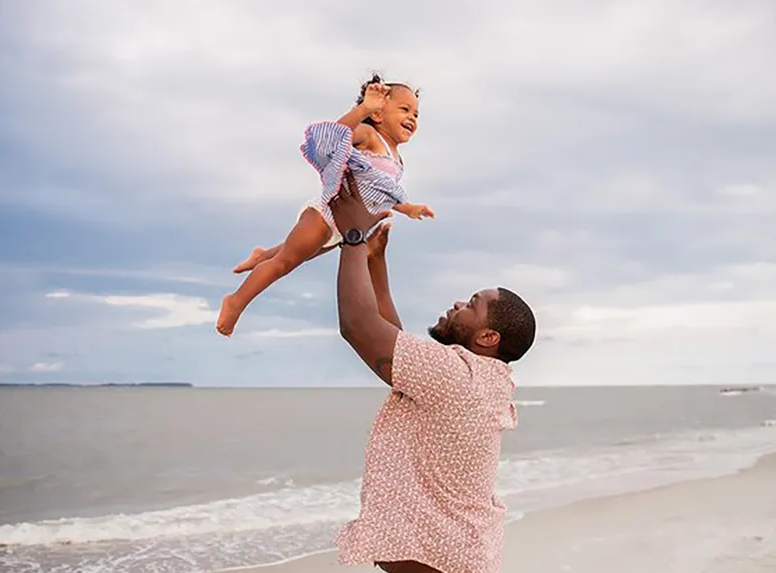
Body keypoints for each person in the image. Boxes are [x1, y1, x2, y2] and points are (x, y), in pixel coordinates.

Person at [327, 168, 537, 573]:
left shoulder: (460, 377)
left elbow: (358, 326)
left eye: (472, 304)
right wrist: (375, 264)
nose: (459, 302)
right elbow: (396, 345)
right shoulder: (475, 377)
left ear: (488, 337)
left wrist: (352, 238)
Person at [215, 74, 434, 338]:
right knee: (286, 262)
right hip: (326, 214)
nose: (413, 118)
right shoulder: (369, 135)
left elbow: (383, 191)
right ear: (378, 114)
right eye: (405, 109)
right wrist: (363, 109)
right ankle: (236, 301)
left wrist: (408, 208)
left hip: (343, 229)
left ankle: (261, 255)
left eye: (417, 114)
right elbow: (335, 136)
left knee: (297, 254)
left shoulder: (397, 160)